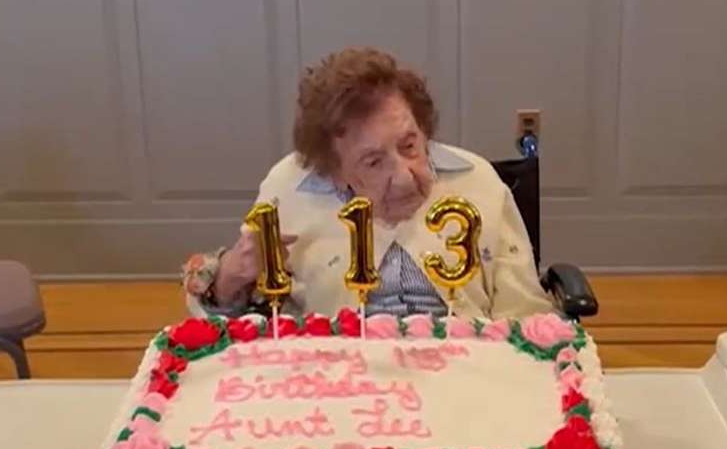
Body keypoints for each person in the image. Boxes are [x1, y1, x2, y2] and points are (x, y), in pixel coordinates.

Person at [182, 47, 552, 320]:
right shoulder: (288, 190)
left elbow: (526, 315)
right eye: (374, 162)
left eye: (409, 146)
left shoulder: (477, 181)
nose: (404, 178)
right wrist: (230, 278)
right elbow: (238, 326)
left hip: (466, 374)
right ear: (332, 169)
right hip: (338, 380)